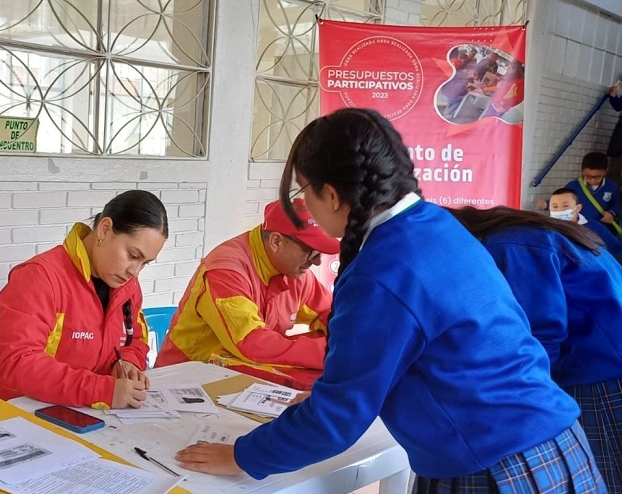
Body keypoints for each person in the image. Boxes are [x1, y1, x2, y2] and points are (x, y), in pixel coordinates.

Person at [175, 108, 605, 493]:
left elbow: (337, 419)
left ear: (330, 194)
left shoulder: (381, 270)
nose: (304, 203)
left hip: (494, 463)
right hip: (546, 440)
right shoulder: (434, 224)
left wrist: (242, 457)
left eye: (303, 190)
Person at [449, 205, 622, 493]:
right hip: (602, 367)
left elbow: (538, 334)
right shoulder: (531, 232)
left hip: (599, 378)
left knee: (610, 476)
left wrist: (530, 401)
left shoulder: (509, 245)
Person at [0, 190, 168, 409]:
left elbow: (134, 339)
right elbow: (17, 362)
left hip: (89, 416)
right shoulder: (39, 277)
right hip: (20, 414)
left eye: (145, 263)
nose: (135, 271)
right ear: (104, 229)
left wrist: (127, 363)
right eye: (132, 255)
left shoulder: (127, 286)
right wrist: (102, 391)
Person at [154, 199, 338, 390]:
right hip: (183, 385)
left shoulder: (297, 273)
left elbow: (331, 313)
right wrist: (331, 352)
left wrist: (350, 339)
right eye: (311, 252)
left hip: (243, 384)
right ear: (276, 241)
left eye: (321, 253)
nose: (317, 263)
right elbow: (252, 342)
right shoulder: (225, 270)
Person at [540, 152, 622, 234]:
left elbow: (617, 205)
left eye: (597, 177)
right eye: (588, 176)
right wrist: (547, 204)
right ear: (582, 171)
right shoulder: (573, 186)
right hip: (579, 229)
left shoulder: (612, 187)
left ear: (605, 171)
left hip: (601, 230)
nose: (592, 180)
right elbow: (562, 199)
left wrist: (612, 213)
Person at [549, 188, 622, 261]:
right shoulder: (546, 230)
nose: (559, 210)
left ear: (578, 208)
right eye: (555, 207)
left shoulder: (594, 227)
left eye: (565, 206)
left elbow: (616, 249)